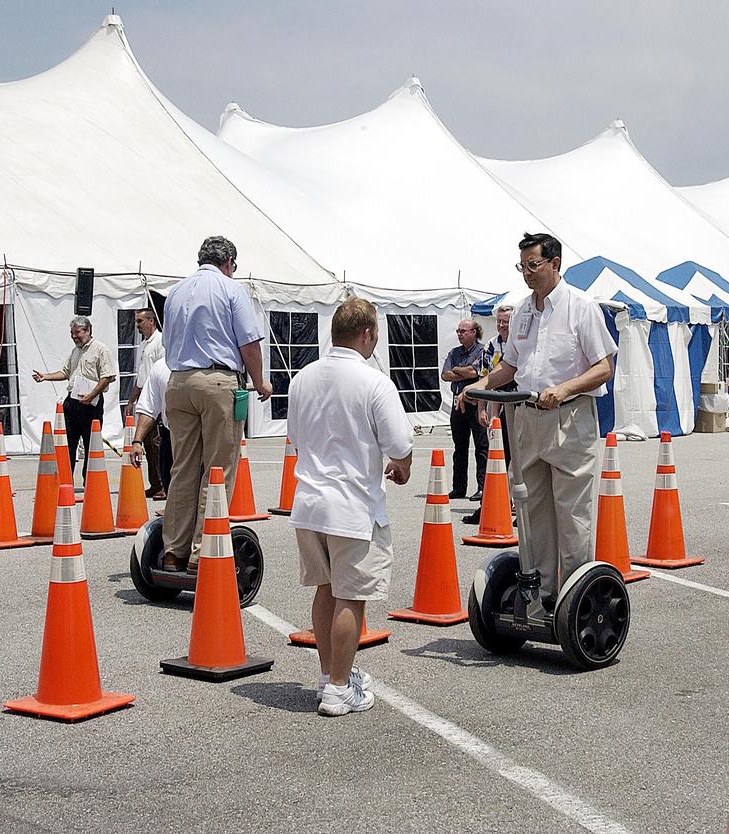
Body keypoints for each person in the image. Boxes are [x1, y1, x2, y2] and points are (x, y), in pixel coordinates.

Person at [457, 232, 616, 608]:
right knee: (533, 510)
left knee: (572, 511)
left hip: (568, 416)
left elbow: (604, 367)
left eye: (534, 265)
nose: (527, 273)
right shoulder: (523, 311)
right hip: (526, 416)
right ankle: (541, 593)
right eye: (522, 266)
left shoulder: (582, 307)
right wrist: (480, 384)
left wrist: (563, 389)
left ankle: (574, 599)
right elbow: (511, 365)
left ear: (555, 263)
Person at [287, 298, 413, 716]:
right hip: (352, 505)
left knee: (325, 590)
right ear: (368, 334)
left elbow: (296, 438)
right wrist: (402, 465)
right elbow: (399, 444)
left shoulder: (303, 377)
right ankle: (340, 688)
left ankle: (329, 676)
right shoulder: (374, 381)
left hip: (308, 501)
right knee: (351, 596)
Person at [161, 235, 272, 575]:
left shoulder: (176, 292)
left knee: (182, 468)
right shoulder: (230, 289)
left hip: (178, 382)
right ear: (230, 263)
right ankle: (202, 550)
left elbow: (168, 341)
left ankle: (172, 551)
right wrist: (260, 381)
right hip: (217, 381)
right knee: (218, 469)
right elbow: (249, 344)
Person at [31, 316, 116, 482]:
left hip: (91, 403)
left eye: (77, 332)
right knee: (67, 443)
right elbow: (65, 372)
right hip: (72, 402)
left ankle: (90, 481)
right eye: (72, 333)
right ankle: (65, 480)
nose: (74, 336)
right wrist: (45, 377)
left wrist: (92, 394)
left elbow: (107, 376)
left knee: (91, 443)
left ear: (88, 330)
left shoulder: (101, 350)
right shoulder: (75, 351)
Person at [464, 305, 516, 526]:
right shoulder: (491, 346)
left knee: (520, 459)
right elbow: (485, 378)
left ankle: (517, 505)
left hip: (519, 405)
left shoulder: (520, 344)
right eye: (500, 321)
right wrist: (481, 409)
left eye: (506, 321)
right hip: (497, 405)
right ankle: (491, 502)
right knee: (496, 455)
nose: (503, 325)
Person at [442, 319, 488, 502]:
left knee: (481, 447)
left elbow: (474, 373)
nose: (460, 334)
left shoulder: (483, 350)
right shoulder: (454, 352)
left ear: (474, 332)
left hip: (475, 403)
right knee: (459, 448)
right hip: (456, 403)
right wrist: (462, 371)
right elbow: (445, 375)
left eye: (464, 331)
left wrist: (457, 370)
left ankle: (482, 487)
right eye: (458, 331)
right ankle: (458, 487)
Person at [124, 308, 166, 499]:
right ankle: (155, 483)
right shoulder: (144, 345)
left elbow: (160, 373)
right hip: (145, 396)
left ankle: (164, 484)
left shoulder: (160, 342)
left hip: (156, 397)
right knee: (149, 445)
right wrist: (131, 401)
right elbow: (141, 377)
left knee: (157, 445)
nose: (137, 325)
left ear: (152, 321)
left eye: (140, 321)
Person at [130, 356, 173, 498]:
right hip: (170, 434)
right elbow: (148, 407)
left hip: (200, 437)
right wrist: (137, 442)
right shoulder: (161, 366)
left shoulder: (207, 362)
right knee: (170, 486)